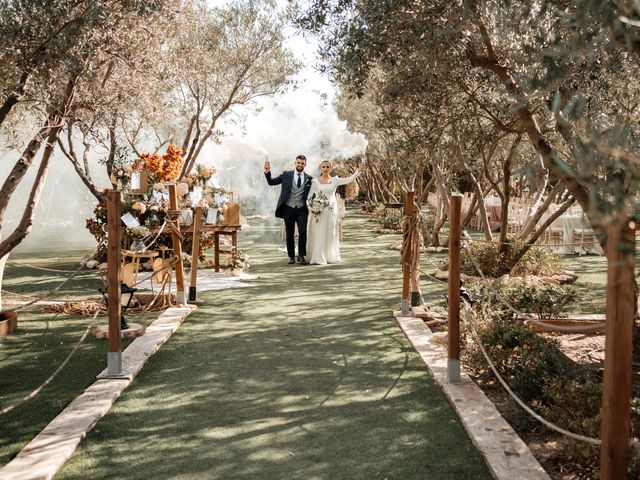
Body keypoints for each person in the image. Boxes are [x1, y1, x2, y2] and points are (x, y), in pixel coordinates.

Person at [306, 160, 359, 265]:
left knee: (330, 231)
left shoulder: (335, 180)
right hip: (318, 210)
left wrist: (356, 173)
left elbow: (349, 179)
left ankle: (330, 256)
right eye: (323, 167)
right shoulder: (315, 181)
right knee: (319, 231)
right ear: (320, 168)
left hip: (331, 209)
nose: (325, 169)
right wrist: (312, 206)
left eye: (327, 167)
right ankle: (318, 256)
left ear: (330, 168)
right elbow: (309, 196)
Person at [264, 155, 313, 264]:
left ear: (305, 164)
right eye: (298, 163)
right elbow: (271, 182)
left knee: (303, 232)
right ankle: (291, 256)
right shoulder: (287, 175)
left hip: (302, 209)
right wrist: (267, 171)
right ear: (295, 163)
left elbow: (312, 193)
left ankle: (301, 255)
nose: (300, 165)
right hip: (288, 208)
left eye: (302, 163)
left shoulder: (309, 178)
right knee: (289, 233)